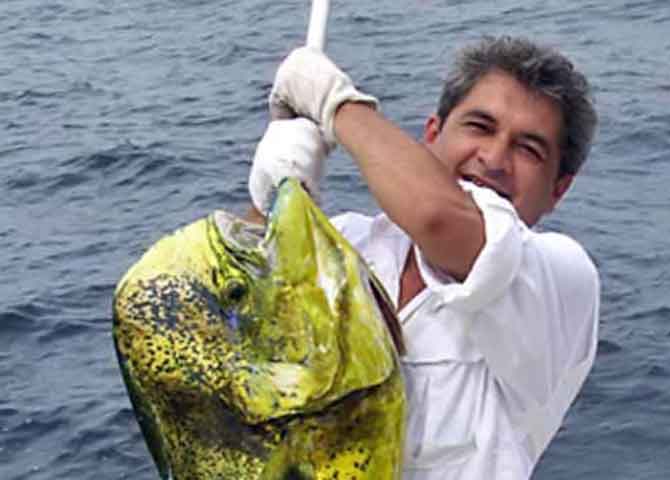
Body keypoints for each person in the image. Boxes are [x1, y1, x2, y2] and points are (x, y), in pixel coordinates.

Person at [247, 35, 599, 480]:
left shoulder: (561, 280)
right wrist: (272, 197)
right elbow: (243, 332)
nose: (494, 159)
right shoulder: (346, 240)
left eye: (528, 149)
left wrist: (335, 104)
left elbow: (439, 219)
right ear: (431, 135)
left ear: (558, 189)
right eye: (479, 126)